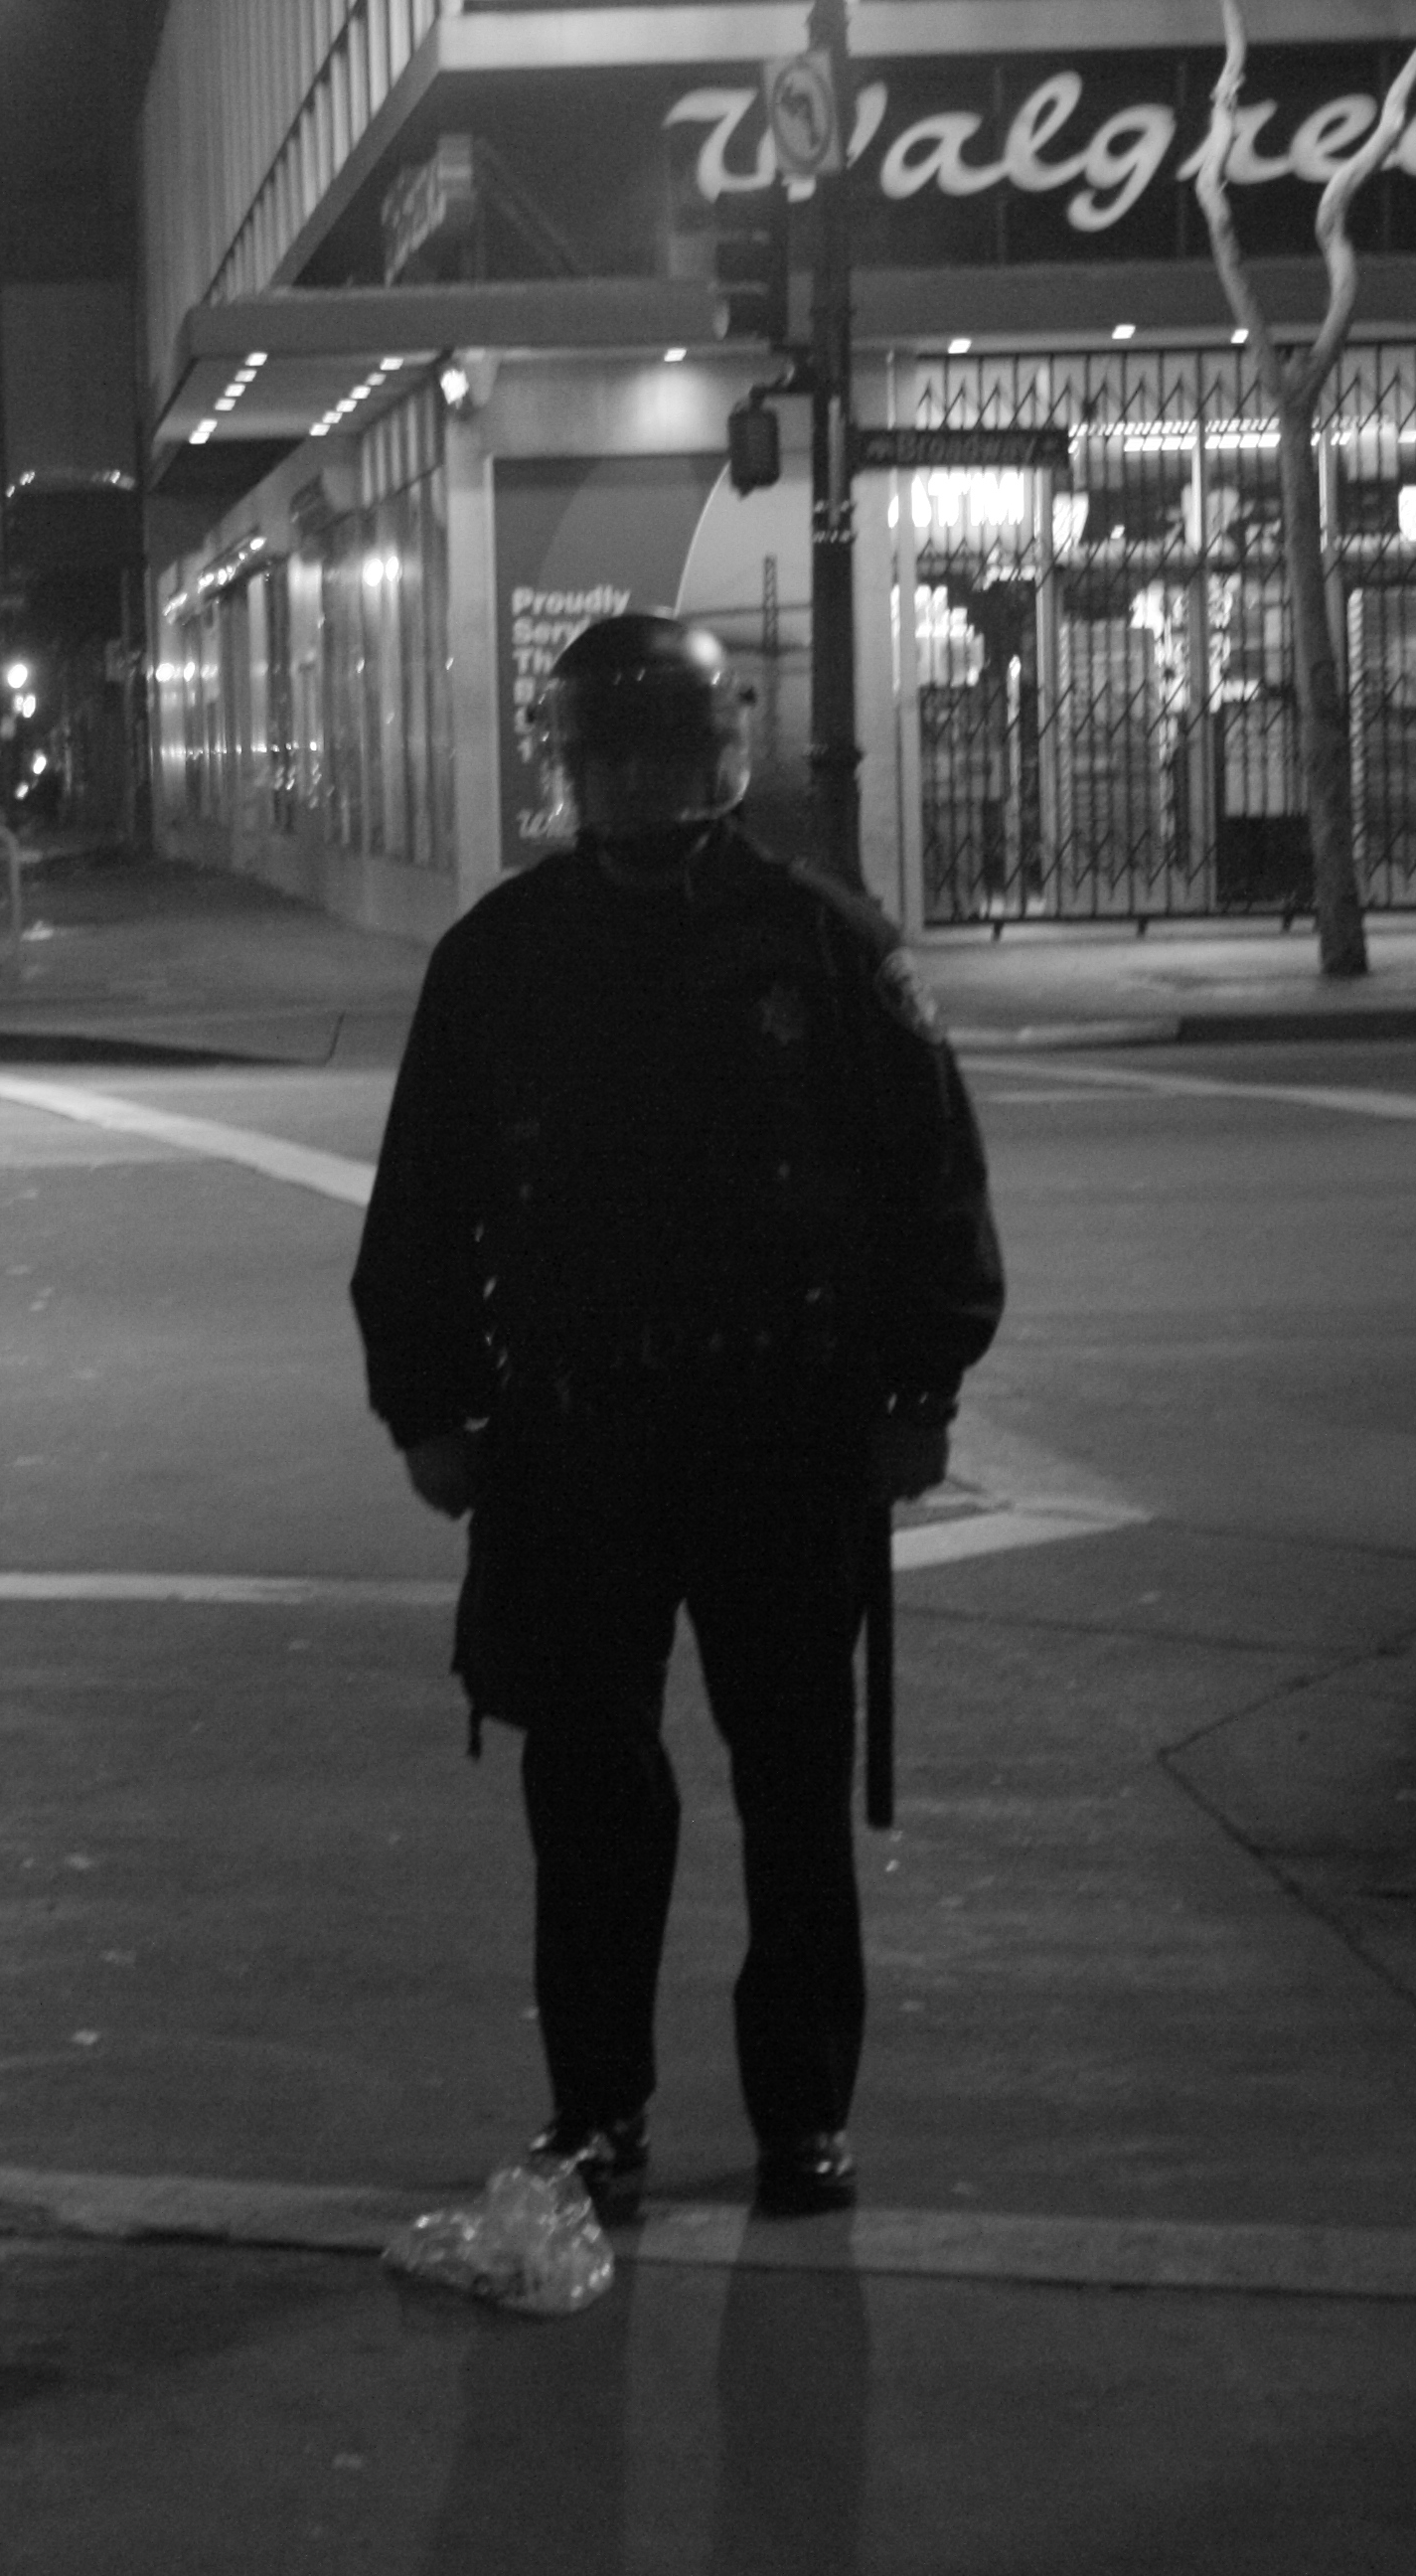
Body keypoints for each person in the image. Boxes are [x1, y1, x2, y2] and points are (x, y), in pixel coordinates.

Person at [350, 612, 1002, 2222]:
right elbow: (422, 1206)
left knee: (792, 1787)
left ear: (720, 754)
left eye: (668, 754)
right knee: (588, 1792)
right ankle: (598, 2112)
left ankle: (802, 2114)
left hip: (781, 1429)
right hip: (576, 1437)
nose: (642, 785)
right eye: (614, 758)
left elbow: (932, 1180)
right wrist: (430, 1408)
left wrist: (921, 1388)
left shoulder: (825, 944)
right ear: (571, 768)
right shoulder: (499, 957)